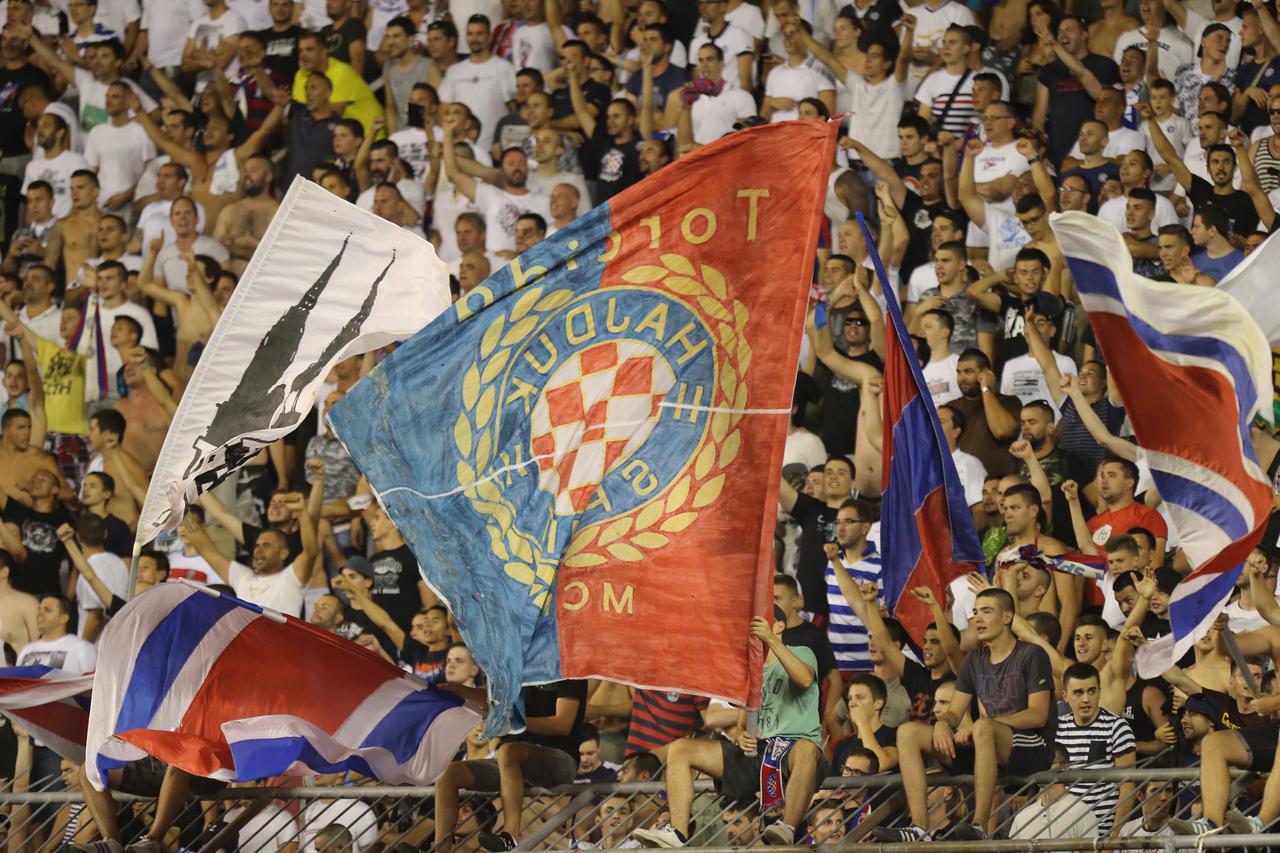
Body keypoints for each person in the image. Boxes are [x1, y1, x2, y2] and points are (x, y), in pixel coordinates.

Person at [635, 608, 825, 848]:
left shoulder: (802, 652)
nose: (754, 628)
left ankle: (786, 827)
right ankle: (678, 833)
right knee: (681, 749)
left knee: (807, 749)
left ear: (779, 626)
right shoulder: (749, 670)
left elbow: (805, 679)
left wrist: (770, 640)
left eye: (762, 622)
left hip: (794, 751)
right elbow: (744, 723)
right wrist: (743, 735)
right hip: (760, 753)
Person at [877, 588, 1053, 841]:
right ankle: (918, 828)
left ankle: (979, 826)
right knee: (908, 732)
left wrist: (985, 724)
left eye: (987, 611)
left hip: (1031, 746)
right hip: (986, 743)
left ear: (1007, 617)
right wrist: (942, 724)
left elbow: (1038, 715)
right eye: (975, 613)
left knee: (982, 727)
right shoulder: (974, 660)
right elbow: (954, 711)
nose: (978, 619)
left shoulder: (1031, 654)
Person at [433, 677, 587, 852]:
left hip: (560, 759)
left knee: (507, 751)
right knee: (449, 773)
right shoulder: (516, 669)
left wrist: (514, 722)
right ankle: (440, 849)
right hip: (515, 763)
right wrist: (462, 691)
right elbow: (495, 701)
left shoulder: (568, 673)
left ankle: (510, 837)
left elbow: (562, 724)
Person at [180, 490, 317, 616]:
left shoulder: (291, 578)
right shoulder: (242, 577)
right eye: (257, 545)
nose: (258, 550)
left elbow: (311, 552)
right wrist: (182, 505)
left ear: (283, 553)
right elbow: (206, 549)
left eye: (266, 545)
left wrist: (302, 513)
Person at [1056, 662, 1137, 835]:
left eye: (1091, 691)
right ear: (1065, 696)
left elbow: (1127, 786)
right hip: (1064, 831)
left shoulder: (1117, 726)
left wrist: (1115, 836)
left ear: (1100, 692)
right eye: (1078, 692)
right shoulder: (1057, 728)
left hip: (1102, 833)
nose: (1086, 699)